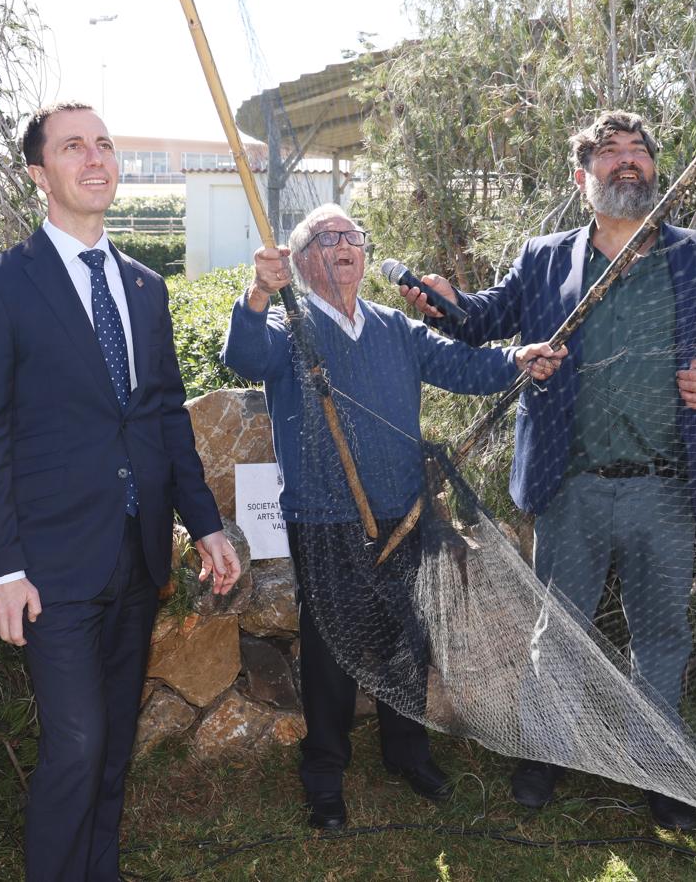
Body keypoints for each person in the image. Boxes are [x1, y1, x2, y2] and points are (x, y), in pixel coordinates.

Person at [402, 110, 696, 829]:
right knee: (558, 631)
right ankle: (548, 753)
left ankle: (658, 768)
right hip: (570, 488)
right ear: (581, 177)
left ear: (656, 169)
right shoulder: (545, 259)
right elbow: (483, 321)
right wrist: (446, 303)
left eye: (639, 150)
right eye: (609, 151)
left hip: (665, 487)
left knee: (661, 637)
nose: (627, 160)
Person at [0, 102, 240, 882]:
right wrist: (0, 569)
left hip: (136, 555)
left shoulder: (145, 285)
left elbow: (164, 416)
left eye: (105, 145)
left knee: (112, 742)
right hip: (50, 566)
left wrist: (205, 524)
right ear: (38, 174)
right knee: (77, 742)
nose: (95, 159)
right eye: (73, 147)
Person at [222, 203, 566, 831]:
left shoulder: (393, 328)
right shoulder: (287, 324)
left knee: (407, 637)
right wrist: (257, 292)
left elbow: (464, 366)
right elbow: (244, 357)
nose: (345, 246)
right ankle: (324, 771)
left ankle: (407, 753)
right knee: (329, 647)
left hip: (404, 513)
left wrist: (517, 359)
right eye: (327, 237)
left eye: (353, 236)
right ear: (301, 260)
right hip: (324, 516)